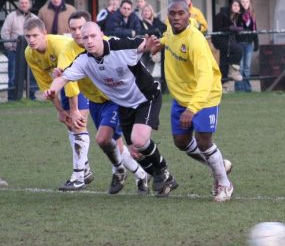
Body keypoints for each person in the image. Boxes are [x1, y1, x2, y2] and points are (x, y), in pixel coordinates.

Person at [44, 22, 177, 197]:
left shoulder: (118, 46)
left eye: (93, 36)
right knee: (135, 153)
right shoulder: (84, 61)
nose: (89, 41)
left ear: (101, 34)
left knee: (139, 139)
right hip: (124, 105)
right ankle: (166, 178)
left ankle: (162, 170)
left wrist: (150, 46)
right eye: (85, 38)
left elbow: (142, 44)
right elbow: (64, 77)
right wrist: (52, 89)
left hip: (146, 97)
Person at [60, 11, 149, 194]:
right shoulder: (68, 50)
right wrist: (72, 108)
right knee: (116, 145)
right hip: (94, 102)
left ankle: (118, 170)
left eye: (81, 28)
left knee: (103, 138)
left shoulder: (107, 43)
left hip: (114, 100)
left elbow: (131, 60)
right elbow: (66, 78)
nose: (78, 33)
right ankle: (140, 174)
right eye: (73, 29)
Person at [160, 0, 234, 202]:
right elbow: (168, 38)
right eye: (172, 13)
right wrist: (157, 44)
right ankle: (220, 164)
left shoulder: (195, 40)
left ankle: (224, 184)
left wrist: (192, 109)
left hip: (205, 96)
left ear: (189, 15)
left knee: (204, 141)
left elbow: (205, 77)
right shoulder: (169, 29)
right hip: (182, 96)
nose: (176, 17)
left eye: (181, 13)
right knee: (181, 142)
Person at [24, 18, 92, 191]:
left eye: (35, 35)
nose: (31, 40)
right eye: (27, 36)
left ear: (45, 33)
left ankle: (79, 175)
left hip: (84, 79)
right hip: (64, 83)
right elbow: (47, 87)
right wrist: (61, 111)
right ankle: (85, 170)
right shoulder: (29, 54)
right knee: (70, 124)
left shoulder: (60, 46)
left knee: (78, 124)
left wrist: (74, 109)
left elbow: (71, 79)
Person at [1, 0, 38, 100]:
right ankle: (12, 97)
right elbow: (4, 32)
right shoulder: (11, 17)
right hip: (15, 51)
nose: (24, 5)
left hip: (31, 51)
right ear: (18, 4)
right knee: (13, 74)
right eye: (22, 3)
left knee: (31, 74)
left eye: (26, 3)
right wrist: (10, 46)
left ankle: (31, 96)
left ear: (29, 4)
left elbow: (40, 33)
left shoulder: (34, 18)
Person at [212, 0, 244, 82]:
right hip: (219, 38)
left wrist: (238, 29)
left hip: (228, 40)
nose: (236, 7)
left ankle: (223, 84)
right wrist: (230, 28)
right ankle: (233, 71)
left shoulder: (237, 17)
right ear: (231, 6)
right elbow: (217, 29)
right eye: (235, 5)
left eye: (238, 6)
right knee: (238, 50)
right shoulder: (222, 15)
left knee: (224, 61)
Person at [235, 0, 258, 92]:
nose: (245, 4)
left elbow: (254, 29)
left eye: (247, 2)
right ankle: (239, 88)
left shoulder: (252, 15)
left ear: (249, 3)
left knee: (247, 67)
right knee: (240, 67)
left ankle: (247, 87)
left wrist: (256, 42)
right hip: (240, 42)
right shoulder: (238, 15)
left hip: (249, 43)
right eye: (243, 2)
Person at [140, 3, 167, 75]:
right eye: (144, 11)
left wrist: (154, 30)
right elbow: (141, 32)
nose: (146, 12)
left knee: (150, 71)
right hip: (144, 49)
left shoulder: (156, 20)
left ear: (151, 12)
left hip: (154, 49)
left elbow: (164, 27)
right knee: (142, 69)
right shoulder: (140, 22)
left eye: (148, 11)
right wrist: (155, 30)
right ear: (142, 12)